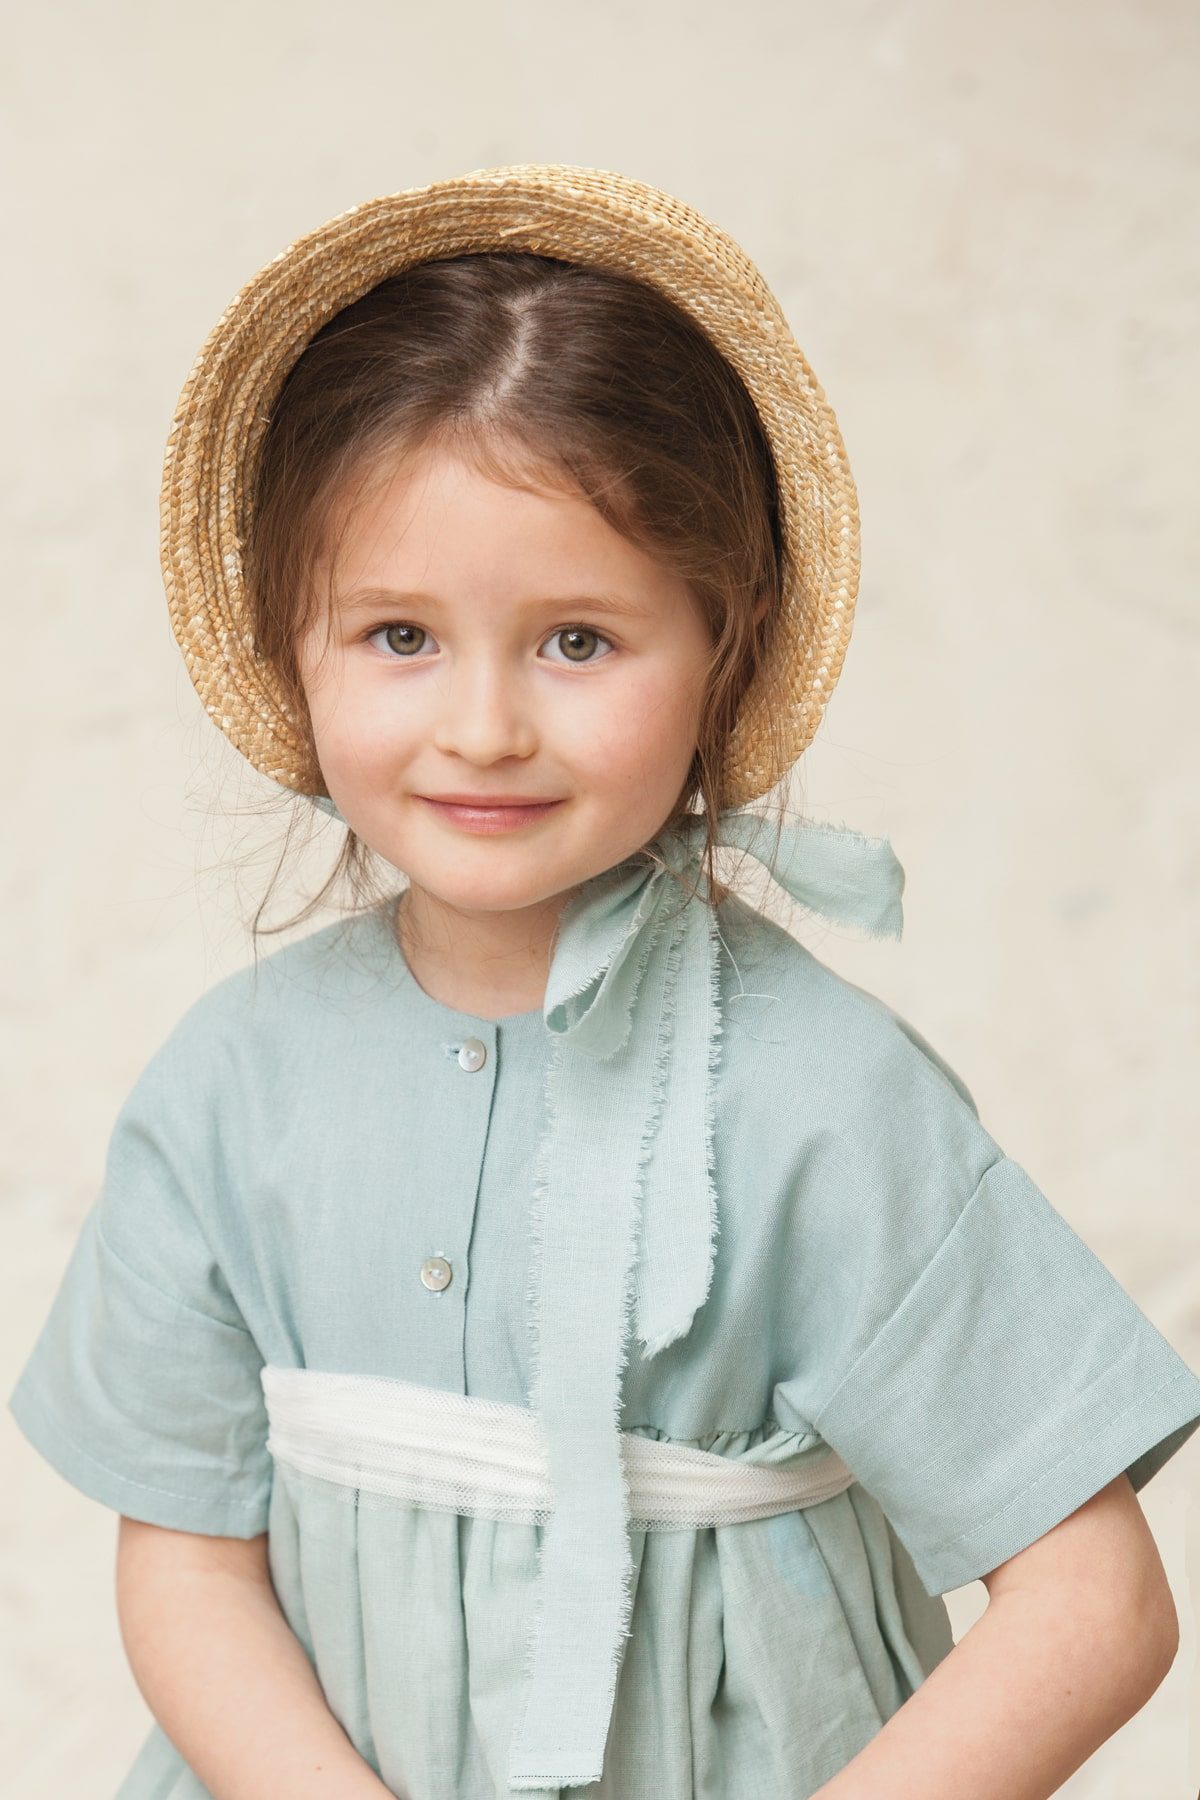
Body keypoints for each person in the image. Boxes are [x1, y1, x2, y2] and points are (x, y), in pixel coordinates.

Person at [8, 164, 1199, 1800]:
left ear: (729, 639)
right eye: (398, 635)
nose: (485, 725)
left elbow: (1100, 1604)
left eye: (578, 639)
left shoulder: (824, 1101)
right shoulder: (228, 1088)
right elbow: (190, 1563)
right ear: (295, 640)